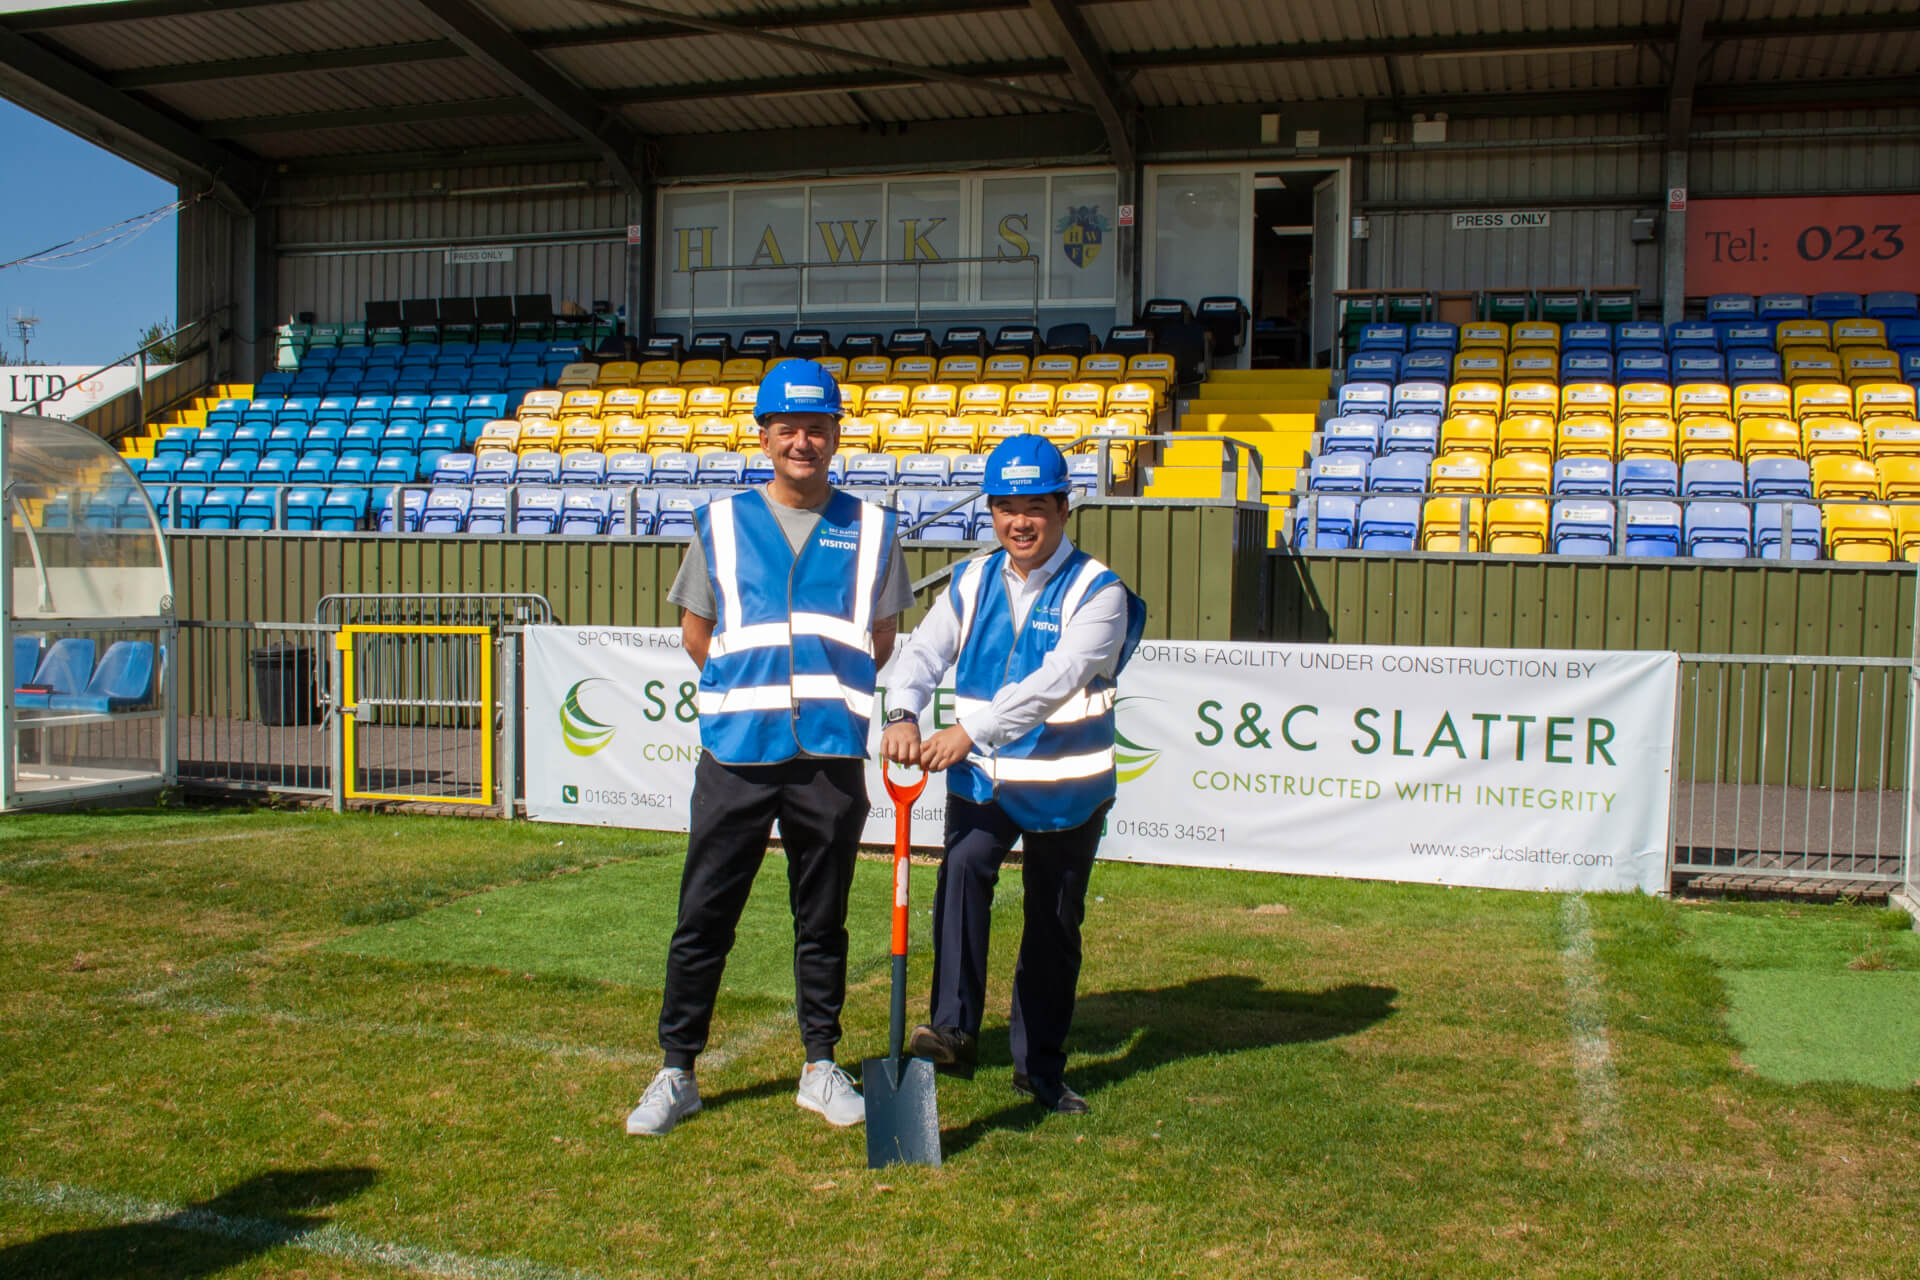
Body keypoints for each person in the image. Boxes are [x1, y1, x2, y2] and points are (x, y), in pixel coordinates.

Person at [626, 357, 915, 1137]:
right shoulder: (720, 523)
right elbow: (697, 632)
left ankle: (820, 1064)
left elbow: (880, 640)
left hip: (827, 756)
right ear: (764, 437)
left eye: (816, 427)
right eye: (787, 428)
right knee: (703, 917)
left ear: (836, 435)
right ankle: (676, 1070)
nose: (802, 441)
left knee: (822, 920)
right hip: (737, 754)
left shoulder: (874, 527)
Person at [880, 435, 1146, 1115]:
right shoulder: (971, 579)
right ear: (991, 512)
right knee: (964, 871)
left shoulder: (1100, 591)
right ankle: (952, 1029)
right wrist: (905, 711)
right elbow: (923, 652)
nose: (1019, 522)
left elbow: (1053, 683)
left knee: (1052, 926)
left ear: (1062, 509)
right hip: (984, 780)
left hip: (1065, 787)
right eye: (1005, 507)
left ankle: (1041, 1071)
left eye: (1035, 507)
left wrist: (967, 731)